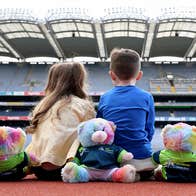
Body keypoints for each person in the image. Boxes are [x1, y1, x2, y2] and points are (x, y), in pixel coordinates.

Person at [25, 62, 95, 180]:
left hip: (39, 168)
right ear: (79, 81)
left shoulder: (42, 105)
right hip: (67, 167)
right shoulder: (83, 105)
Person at [96, 48, 156, 180]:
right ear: (139, 75)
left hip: (113, 157)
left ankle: (121, 172)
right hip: (141, 155)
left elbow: (100, 127)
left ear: (111, 75)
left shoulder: (105, 97)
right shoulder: (147, 97)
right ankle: (141, 171)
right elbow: (149, 129)